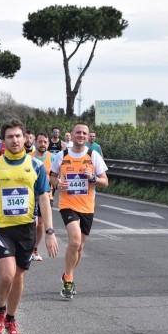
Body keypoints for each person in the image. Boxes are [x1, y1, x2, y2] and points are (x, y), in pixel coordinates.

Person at [0, 118, 58, 334]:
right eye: (10, 136)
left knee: (19, 277)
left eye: (18, 136)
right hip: (2, 227)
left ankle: (11, 318)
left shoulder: (36, 166)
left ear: (25, 139)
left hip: (27, 229)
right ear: (3, 140)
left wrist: (49, 232)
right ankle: (0, 310)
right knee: (6, 274)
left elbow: (44, 199)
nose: (14, 140)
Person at [50, 122, 108, 300]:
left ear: (88, 136)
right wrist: (58, 184)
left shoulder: (93, 155)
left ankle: (69, 273)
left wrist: (92, 178)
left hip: (87, 206)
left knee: (80, 247)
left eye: (84, 133)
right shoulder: (62, 155)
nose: (81, 135)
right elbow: (51, 176)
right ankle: (68, 280)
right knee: (74, 242)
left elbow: (105, 181)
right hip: (68, 204)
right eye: (78, 132)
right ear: (72, 135)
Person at [31, 132, 56, 261]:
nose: (42, 144)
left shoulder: (53, 158)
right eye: (40, 142)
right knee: (30, 223)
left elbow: (56, 176)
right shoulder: (28, 157)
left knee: (40, 224)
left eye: (45, 142)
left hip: (46, 195)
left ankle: (35, 249)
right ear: (36, 142)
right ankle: (26, 248)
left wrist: (58, 182)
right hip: (30, 195)